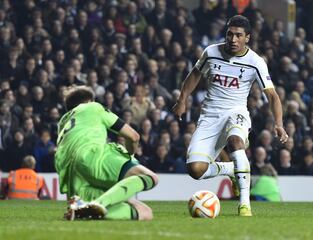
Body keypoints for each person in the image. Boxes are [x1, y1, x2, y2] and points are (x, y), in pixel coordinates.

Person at [172, 15, 288, 216]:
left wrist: (279, 123)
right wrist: (182, 100)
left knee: (235, 142)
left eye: (238, 35)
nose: (233, 39)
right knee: (195, 170)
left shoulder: (255, 62)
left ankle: (244, 203)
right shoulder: (211, 52)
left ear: (247, 38)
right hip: (209, 116)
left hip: (236, 112)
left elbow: (272, 95)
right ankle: (231, 170)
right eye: (230, 34)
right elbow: (195, 75)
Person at [55, 86, 158, 221]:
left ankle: (82, 211)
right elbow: (133, 136)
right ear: (88, 101)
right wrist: (130, 156)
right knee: (149, 177)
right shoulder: (92, 107)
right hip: (90, 155)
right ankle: (97, 205)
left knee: (145, 212)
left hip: (72, 180)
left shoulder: (62, 123)